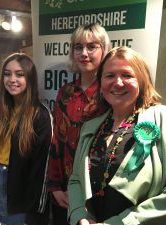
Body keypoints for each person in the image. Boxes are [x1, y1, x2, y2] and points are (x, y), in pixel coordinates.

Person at [68, 46, 166, 225]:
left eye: (127, 75)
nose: (118, 82)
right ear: (100, 84)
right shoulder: (90, 127)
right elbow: (76, 179)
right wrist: (80, 217)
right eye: (109, 76)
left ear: (142, 81)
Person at [0, 53, 52, 225]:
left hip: (24, 197)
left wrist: (35, 213)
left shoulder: (41, 116)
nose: (12, 79)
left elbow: (41, 170)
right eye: (7, 74)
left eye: (20, 74)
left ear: (30, 78)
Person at [48, 23, 111, 225]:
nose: (84, 53)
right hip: (65, 190)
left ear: (104, 49)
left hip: (99, 191)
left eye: (91, 46)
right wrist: (55, 186)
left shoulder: (111, 92)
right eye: (78, 47)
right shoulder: (65, 92)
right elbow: (56, 141)